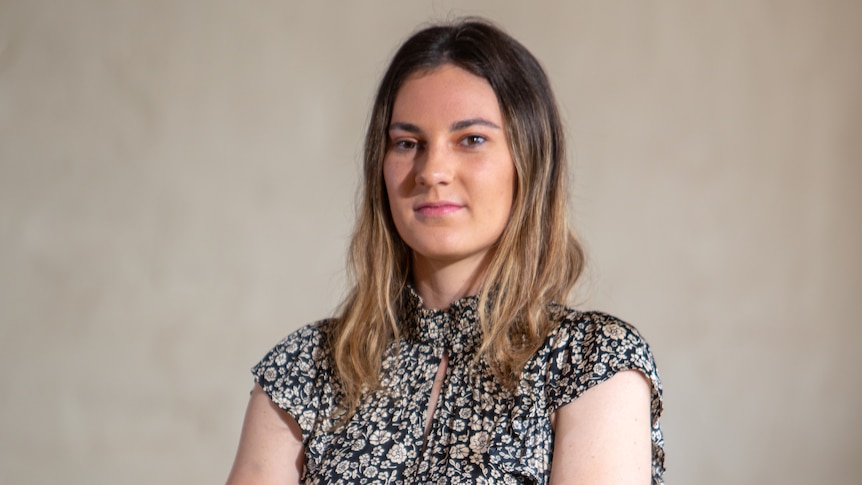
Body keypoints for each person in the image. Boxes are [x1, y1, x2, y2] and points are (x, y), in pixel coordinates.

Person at [227, 17, 664, 485]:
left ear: (529, 161)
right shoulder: (304, 368)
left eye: (471, 139)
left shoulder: (592, 362)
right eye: (407, 143)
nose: (432, 170)